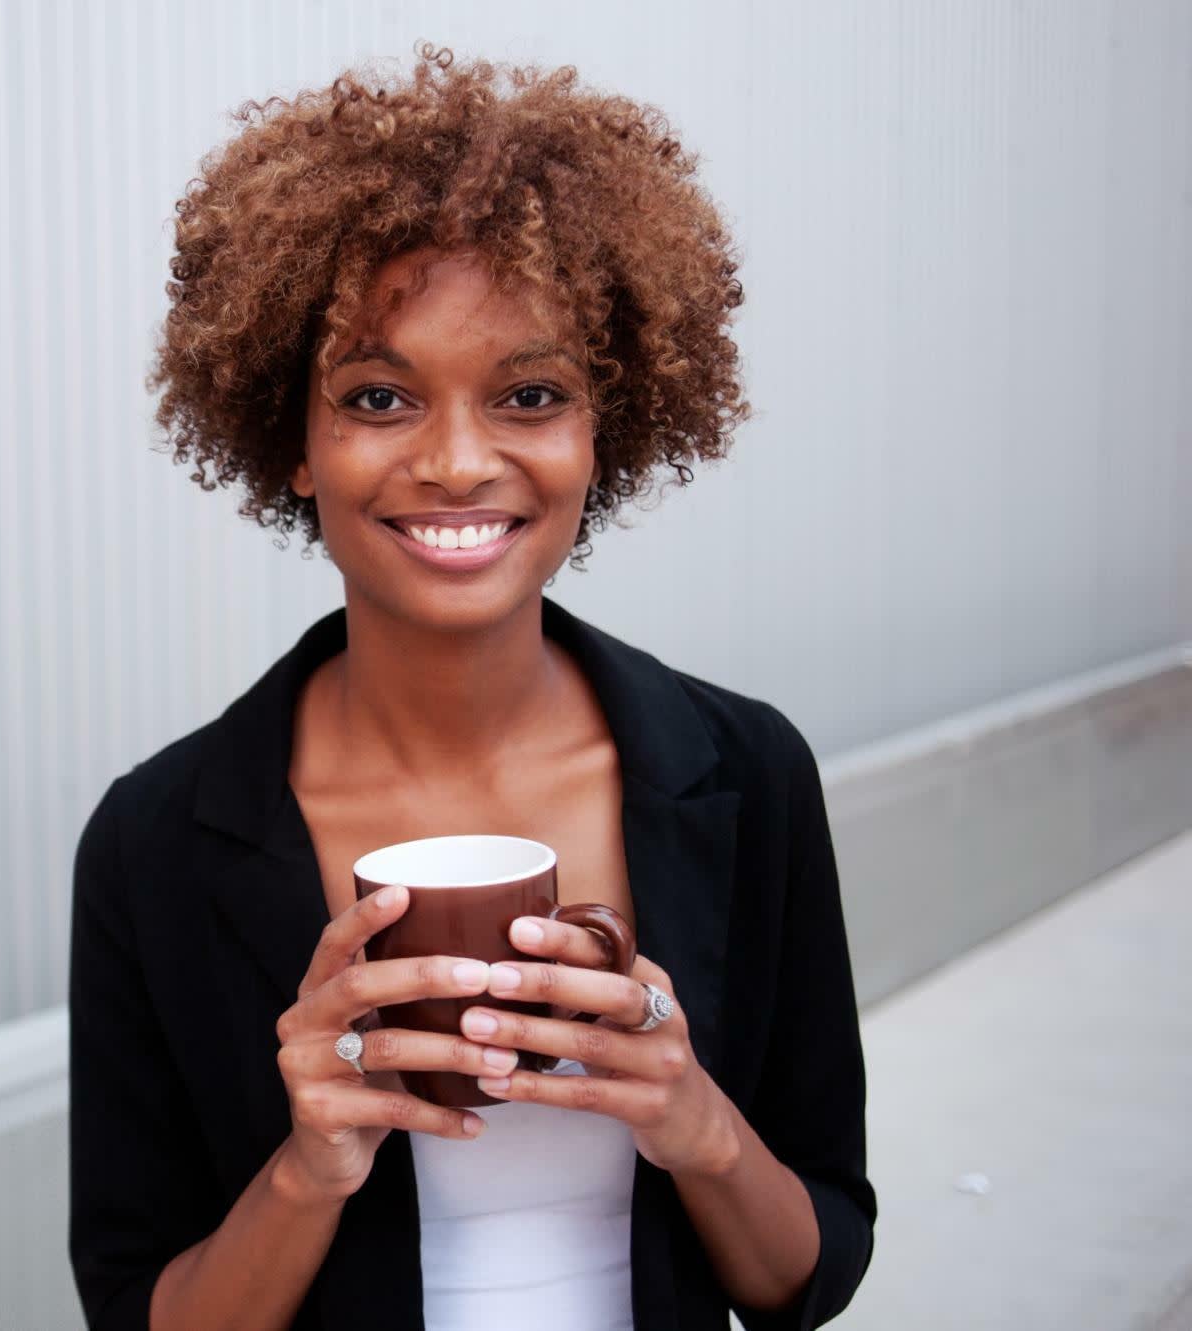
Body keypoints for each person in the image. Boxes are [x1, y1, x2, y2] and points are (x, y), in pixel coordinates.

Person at [67, 44, 875, 1331]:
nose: (455, 459)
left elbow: (810, 1272)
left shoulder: (744, 772)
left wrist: (693, 1117)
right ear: (292, 439)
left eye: (530, 393)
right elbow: (141, 1312)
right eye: (379, 396)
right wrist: (309, 1165)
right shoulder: (156, 839)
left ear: (602, 429)